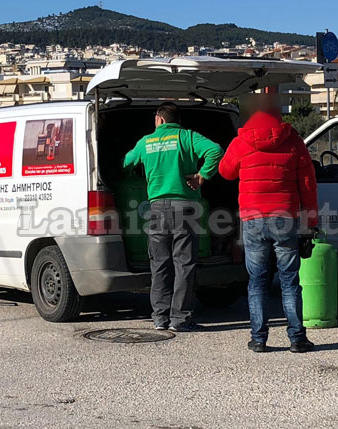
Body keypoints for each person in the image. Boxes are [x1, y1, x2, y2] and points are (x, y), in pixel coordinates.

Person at [219, 102, 318, 353]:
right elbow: (307, 184)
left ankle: (259, 339)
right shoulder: (294, 141)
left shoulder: (241, 141)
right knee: (290, 281)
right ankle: (297, 338)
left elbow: (226, 172)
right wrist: (312, 222)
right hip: (285, 216)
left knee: (257, 281)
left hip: (252, 218)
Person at [123, 102, 223, 332]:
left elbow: (126, 162)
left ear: (159, 119)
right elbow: (215, 150)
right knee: (184, 264)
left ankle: (159, 318)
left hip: (157, 208)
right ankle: (180, 319)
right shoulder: (187, 137)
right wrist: (202, 176)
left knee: (159, 264)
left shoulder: (145, 142)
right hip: (186, 208)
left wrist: (135, 174)